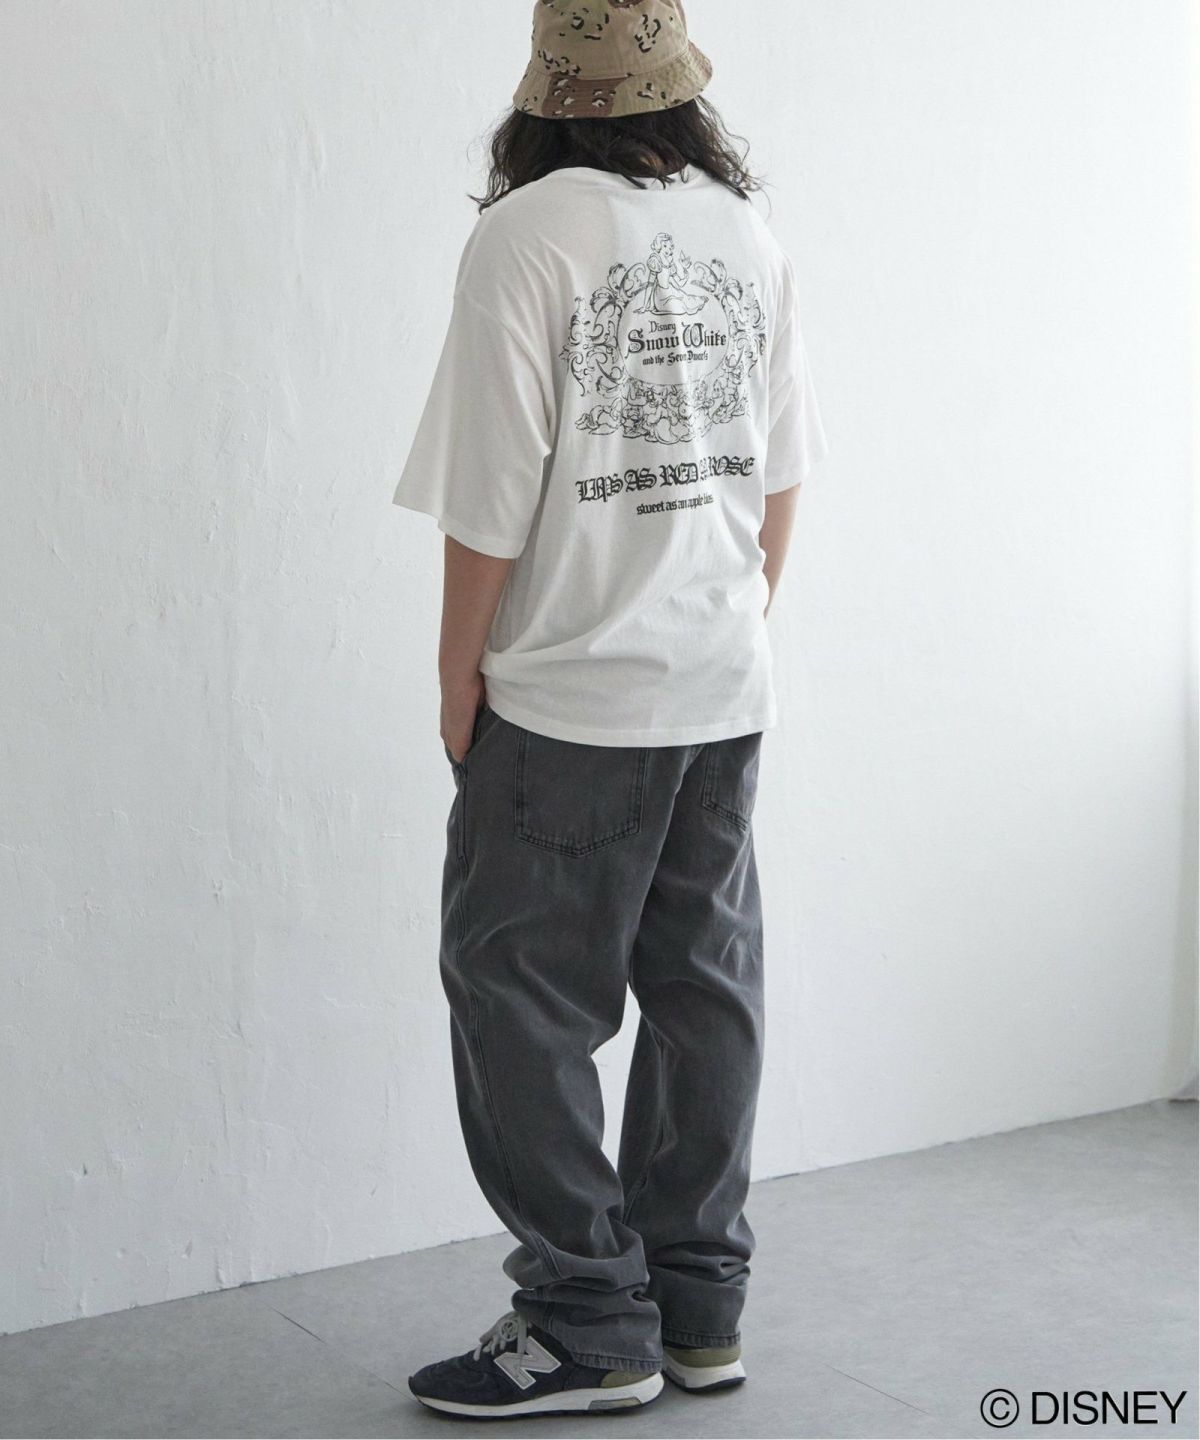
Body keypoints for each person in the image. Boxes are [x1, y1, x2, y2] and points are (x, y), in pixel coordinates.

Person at [391, 0, 829, 1419]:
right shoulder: (743, 231)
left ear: (546, 93)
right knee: (702, 993)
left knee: (518, 999)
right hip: (720, 685)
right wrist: (730, 623)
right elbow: (780, 475)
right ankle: (698, 1310)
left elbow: (487, 500)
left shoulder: (528, 236)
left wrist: (457, 679)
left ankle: (587, 1320)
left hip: (571, 698)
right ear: (681, 87)